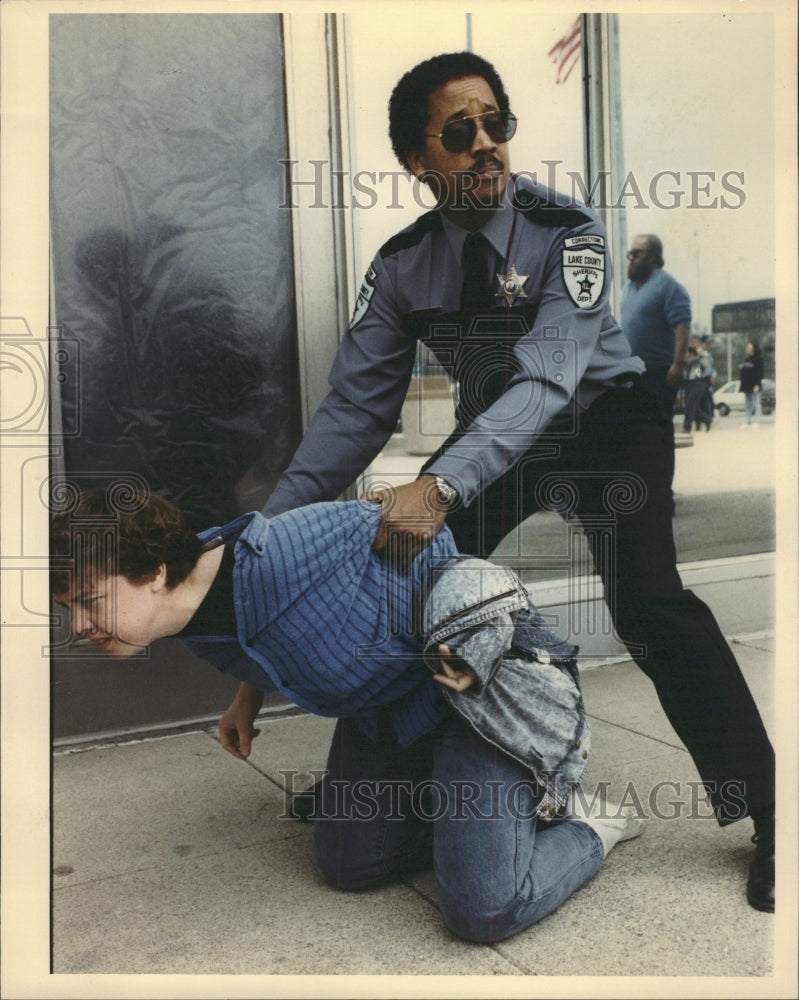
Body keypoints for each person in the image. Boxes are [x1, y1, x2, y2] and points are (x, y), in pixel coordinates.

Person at [247, 51, 774, 913]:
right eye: (461, 132)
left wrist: (439, 487)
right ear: (419, 163)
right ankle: (383, 783)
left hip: (601, 420)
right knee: (397, 574)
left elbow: (547, 381)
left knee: (648, 602)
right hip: (499, 438)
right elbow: (351, 416)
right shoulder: (401, 268)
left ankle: (771, 808)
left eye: (498, 123)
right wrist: (263, 539)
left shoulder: (566, 231)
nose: (488, 144)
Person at [51, 485, 643, 943]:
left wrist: (460, 642)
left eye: (88, 601)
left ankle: (587, 824)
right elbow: (247, 635)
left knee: (484, 912)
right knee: (347, 862)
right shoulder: (182, 608)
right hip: (394, 705)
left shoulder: (282, 553)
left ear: (154, 573)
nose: (79, 625)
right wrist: (245, 696)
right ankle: (474, 821)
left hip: (481, 692)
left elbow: (433, 541)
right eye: (69, 608)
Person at [620, 233, 691, 428]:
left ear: (652, 256)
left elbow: (682, 326)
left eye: (637, 253)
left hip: (659, 373)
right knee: (637, 434)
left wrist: (678, 364)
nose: (631, 257)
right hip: (632, 373)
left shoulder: (669, 286)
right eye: (630, 253)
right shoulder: (628, 287)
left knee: (658, 431)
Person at [682, 342, 714, 433]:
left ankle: (687, 427)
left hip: (697, 383)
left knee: (690, 405)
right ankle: (706, 419)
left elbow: (701, 371)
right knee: (691, 406)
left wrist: (701, 353)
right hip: (688, 384)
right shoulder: (686, 361)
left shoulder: (698, 360)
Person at [739, 340, 764, 427]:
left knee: (756, 403)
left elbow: (760, 373)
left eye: (749, 347)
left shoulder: (758, 359)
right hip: (747, 385)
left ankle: (757, 421)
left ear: (754, 349)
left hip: (755, 385)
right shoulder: (746, 359)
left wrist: (757, 384)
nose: (747, 349)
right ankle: (748, 421)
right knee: (748, 404)